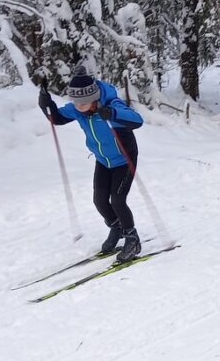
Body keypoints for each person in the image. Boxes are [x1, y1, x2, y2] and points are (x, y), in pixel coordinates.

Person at [37, 66, 145, 262]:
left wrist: (111, 113)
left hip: (124, 158)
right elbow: (58, 119)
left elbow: (137, 121)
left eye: (83, 103)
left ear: (94, 98)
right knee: (100, 201)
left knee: (118, 200)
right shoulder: (77, 109)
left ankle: (132, 238)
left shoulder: (111, 103)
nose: (78, 107)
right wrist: (47, 106)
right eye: (76, 103)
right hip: (103, 160)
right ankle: (117, 227)